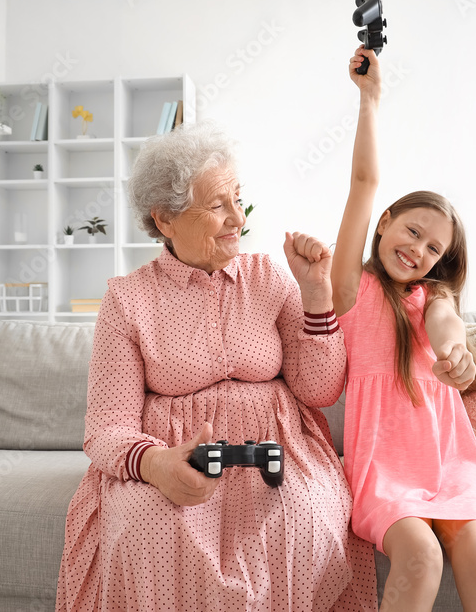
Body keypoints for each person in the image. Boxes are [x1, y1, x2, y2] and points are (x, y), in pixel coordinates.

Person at [55, 121, 378, 612]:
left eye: (238, 198)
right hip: (169, 456)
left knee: (302, 514)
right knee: (147, 525)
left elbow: (320, 390)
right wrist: (158, 465)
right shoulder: (127, 298)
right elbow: (106, 429)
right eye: (216, 205)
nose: (238, 218)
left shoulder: (270, 275)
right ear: (165, 219)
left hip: (277, 450)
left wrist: (317, 296)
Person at [331, 47, 476, 612]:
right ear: (384, 223)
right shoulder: (348, 288)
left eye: (433, 248)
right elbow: (364, 180)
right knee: (422, 555)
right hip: (384, 467)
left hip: (451, 460)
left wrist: (455, 353)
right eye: (412, 232)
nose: (417, 250)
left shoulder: (433, 296)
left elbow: (446, 324)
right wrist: (370, 100)